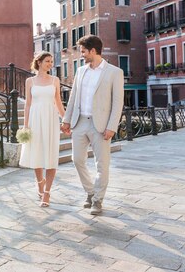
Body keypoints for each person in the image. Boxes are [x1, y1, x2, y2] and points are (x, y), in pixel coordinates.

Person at [61, 35, 124, 215]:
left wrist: (112, 126)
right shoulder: (81, 71)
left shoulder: (114, 72)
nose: (81, 55)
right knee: (77, 159)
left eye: (83, 51)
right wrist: (66, 120)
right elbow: (73, 98)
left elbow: (117, 102)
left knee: (101, 164)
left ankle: (97, 201)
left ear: (93, 51)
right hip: (80, 122)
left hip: (101, 125)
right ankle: (90, 192)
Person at [19, 51, 66, 207]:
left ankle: (47, 193)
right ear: (39, 62)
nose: (50, 64)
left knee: (51, 155)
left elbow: (58, 103)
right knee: (37, 153)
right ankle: (40, 182)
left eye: (51, 62)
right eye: (47, 61)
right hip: (34, 119)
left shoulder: (55, 80)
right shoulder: (30, 81)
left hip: (51, 119)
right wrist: (26, 125)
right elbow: (27, 104)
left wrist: (65, 120)